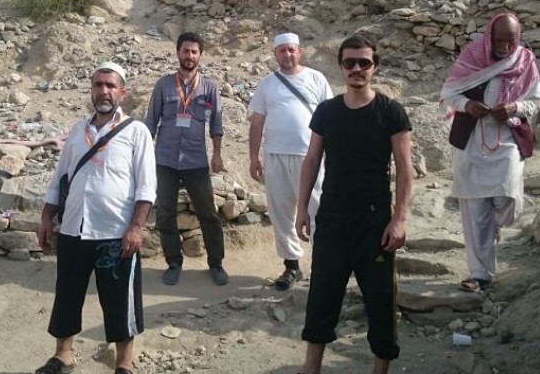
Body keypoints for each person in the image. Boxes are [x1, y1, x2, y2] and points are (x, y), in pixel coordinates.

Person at [296, 35, 413, 374]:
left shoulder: (390, 111)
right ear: (341, 66)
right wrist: (302, 209)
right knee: (322, 294)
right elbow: (311, 160)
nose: (357, 68)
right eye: (350, 62)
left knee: (380, 300)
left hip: (374, 223)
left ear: (375, 67)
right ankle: (311, 369)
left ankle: (380, 370)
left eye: (364, 62)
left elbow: (405, 169)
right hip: (332, 218)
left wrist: (399, 219)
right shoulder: (327, 111)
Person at [36, 62, 157, 374]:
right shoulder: (79, 130)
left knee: (119, 300)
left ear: (122, 93)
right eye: (98, 85)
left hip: (115, 232)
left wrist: (136, 227)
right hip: (74, 227)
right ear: (91, 90)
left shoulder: (137, 131)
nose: (104, 91)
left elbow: (146, 187)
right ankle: (63, 355)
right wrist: (47, 216)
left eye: (110, 86)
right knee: (67, 294)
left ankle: (124, 363)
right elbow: (59, 177)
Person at [440, 12, 540, 293]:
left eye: (511, 41)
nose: (506, 47)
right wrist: (467, 106)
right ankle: (480, 275)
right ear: (489, 38)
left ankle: (492, 227)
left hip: (507, 138)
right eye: (500, 41)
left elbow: (535, 101)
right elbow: (449, 93)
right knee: (475, 210)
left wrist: (514, 108)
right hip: (471, 140)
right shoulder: (471, 57)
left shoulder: (525, 61)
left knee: (507, 198)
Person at [248, 32, 332, 291]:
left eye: (291, 50)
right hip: (275, 155)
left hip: (310, 156)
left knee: (317, 210)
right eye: (282, 50)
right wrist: (253, 157)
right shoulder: (267, 84)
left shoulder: (316, 78)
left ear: (300, 51)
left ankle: (323, 265)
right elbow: (257, 122)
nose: (287, 54)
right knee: (281, 212)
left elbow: (331, 117)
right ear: (275, 54)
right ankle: (291, 265)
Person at [145, 32, 228, 286]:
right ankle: (173, 262)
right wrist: (143, 157)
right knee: (165, 214)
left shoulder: (210, 87)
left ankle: (216, 264)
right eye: (185, 51)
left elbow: (216, 123)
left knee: (208, 214)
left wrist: (217, 154)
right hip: (165, 159)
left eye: (194, 52)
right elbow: (150, 122)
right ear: (178, 53)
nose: (189, 56)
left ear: (200, 55)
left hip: (196, 160)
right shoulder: (163, 85)